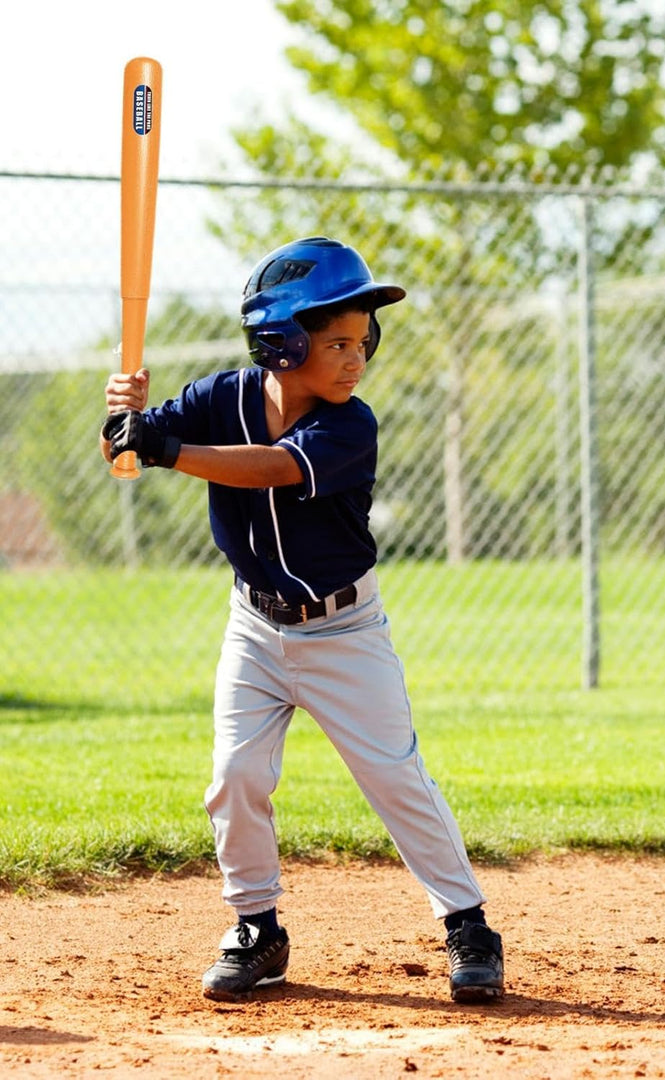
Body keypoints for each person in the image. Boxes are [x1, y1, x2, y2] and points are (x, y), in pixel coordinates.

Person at [100, 236, 504, 1005]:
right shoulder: (221, 396)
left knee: (394, 776)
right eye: (337, 342)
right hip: (254, 628)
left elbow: (271, 466)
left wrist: (164, 445)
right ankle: (257, 929)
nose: (357, 359)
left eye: (363, 341)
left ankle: (468, 925)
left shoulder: (351, 425)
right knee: (235, 777)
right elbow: (126, 448)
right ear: (279, 344)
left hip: (345, 632)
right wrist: (124, 420)